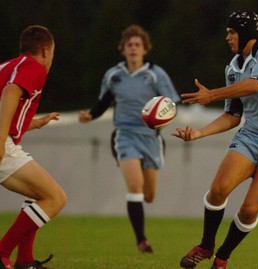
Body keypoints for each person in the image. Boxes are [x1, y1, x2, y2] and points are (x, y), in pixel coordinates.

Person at [173, 11, 258, 269]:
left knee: (249, 210)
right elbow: (233, 116)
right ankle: (206, 245)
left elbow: (255, 85)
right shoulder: (232, 67)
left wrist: (211, 95)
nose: (228, 37)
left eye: (232, 32)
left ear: (245, 33)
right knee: (219, 189)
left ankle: (222, 256)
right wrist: (199, 133)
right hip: (249, 137)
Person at [79, 24, 180, 253]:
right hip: (124, 135)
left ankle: (141, 228)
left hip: (151, 138)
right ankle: (141, 240)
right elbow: (104, 101)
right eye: (129, 45)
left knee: (149, 196)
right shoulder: (114, 75)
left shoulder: (156, 74)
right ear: (122, 50)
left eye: (137, 45)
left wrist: (164, 118)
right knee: (134, 185)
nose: (133, 49)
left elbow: (170, 104)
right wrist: (90, 115)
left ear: (145, 49)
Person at [0, 25, 67, 269]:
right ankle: (2, 252)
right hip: (1, 142)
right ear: (46, 50)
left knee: (37, 195)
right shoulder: (33, 66)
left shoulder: (7, 66)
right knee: (55, 197)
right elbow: (9, 93)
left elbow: (5, 105)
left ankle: (25, 261)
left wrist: (35, 123)